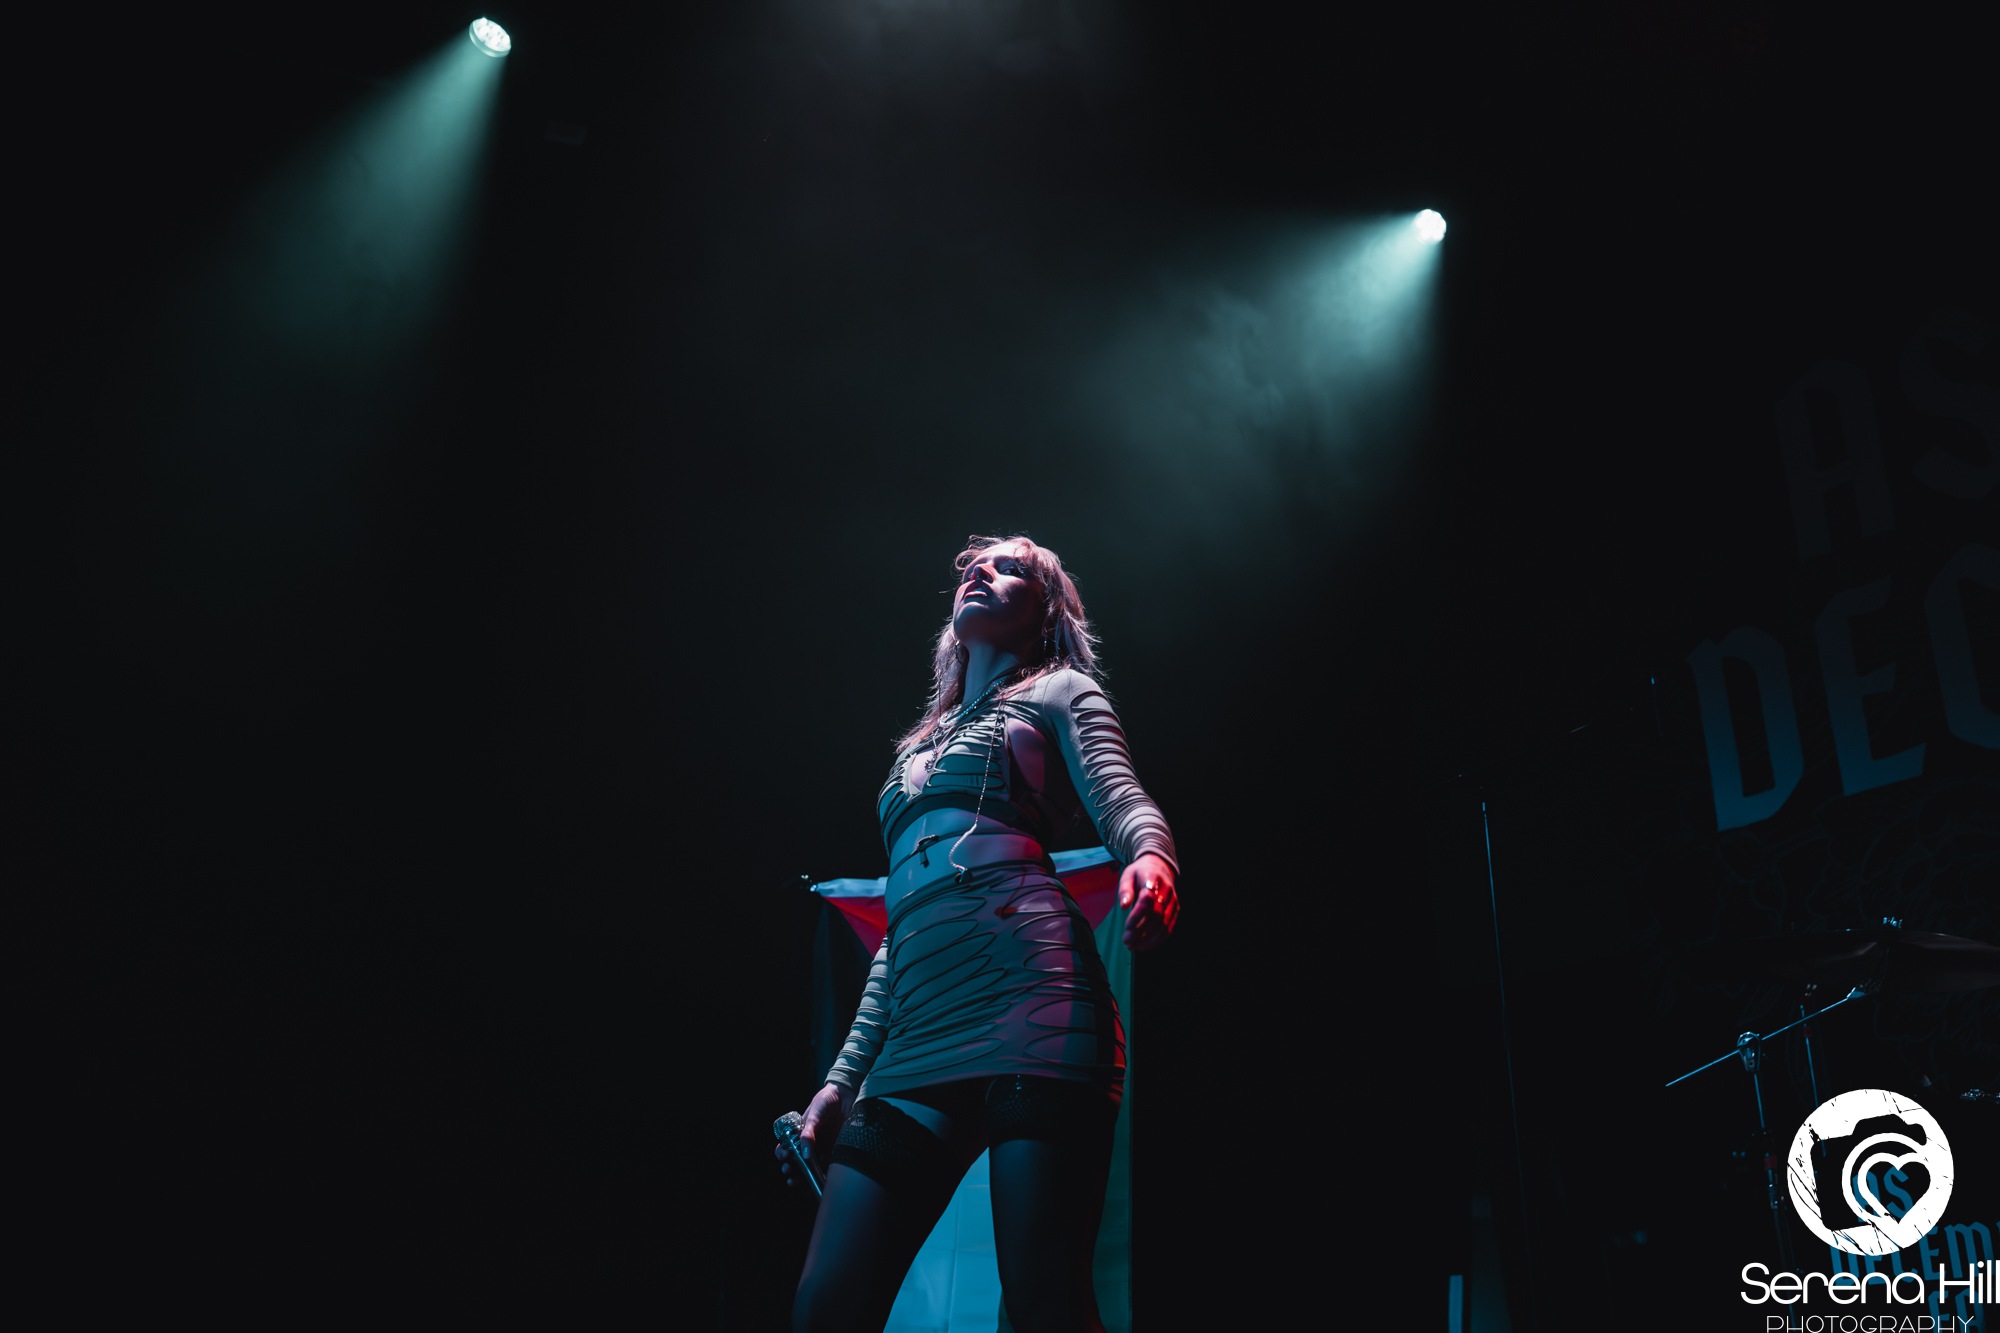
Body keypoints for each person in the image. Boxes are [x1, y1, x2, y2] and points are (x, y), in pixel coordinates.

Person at [777, 534, 1182, 1333]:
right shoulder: (916, 748)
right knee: (826, 1306)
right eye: (972, 565)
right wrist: (840, 1083)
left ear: (1046, 610)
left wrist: (1152, 856)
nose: (980, 572)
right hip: (918, 1039)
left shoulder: (1060, 690)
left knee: (1044, 1299)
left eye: (1009, 567)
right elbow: (902, 931)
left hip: (1036, 1004)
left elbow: (1121, 796)